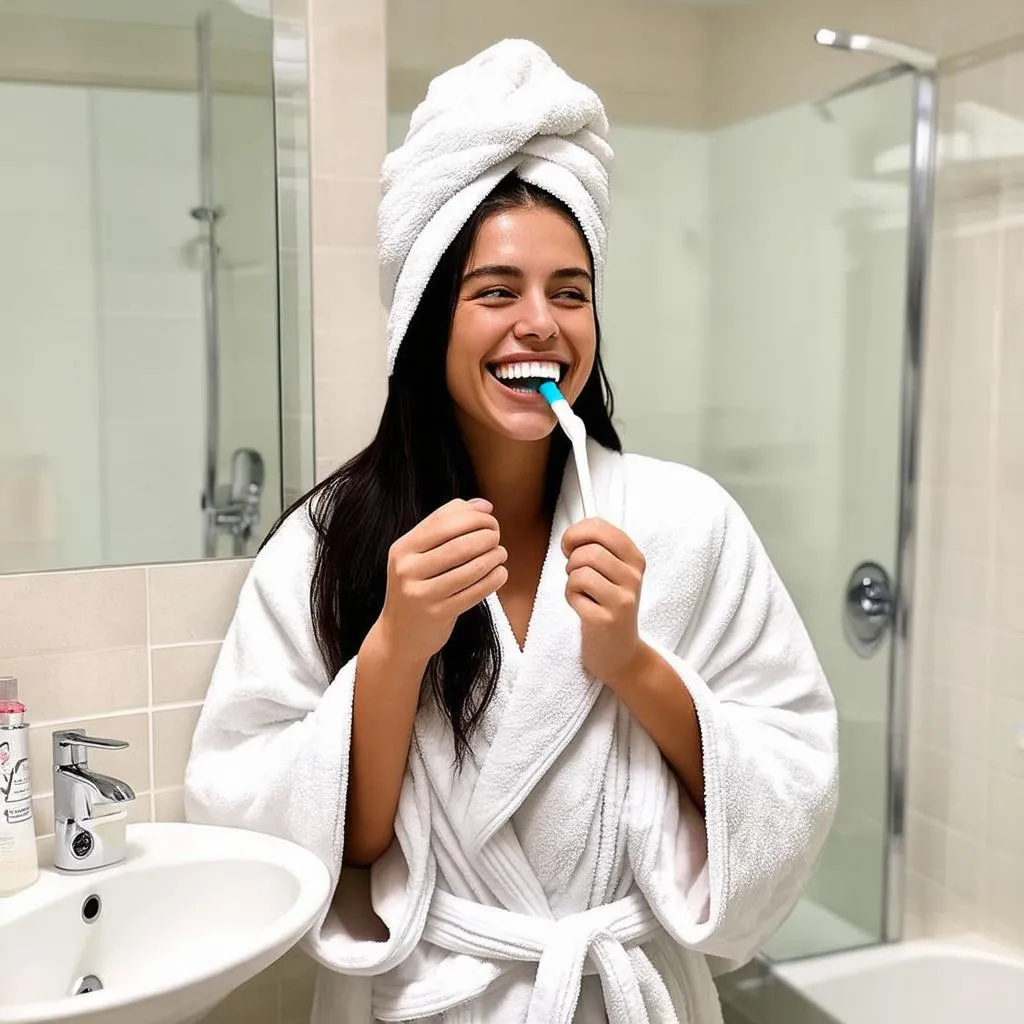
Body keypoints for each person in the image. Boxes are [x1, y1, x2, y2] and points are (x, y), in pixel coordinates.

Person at [184, 39, 838, 1024]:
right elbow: (313, 848)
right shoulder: (327, 545)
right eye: (495, 292)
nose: (539, 323)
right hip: (426, 997)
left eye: (568, 293)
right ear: (425, 318)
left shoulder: (688, 522)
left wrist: (632, 663)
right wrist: (396, 651)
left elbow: (791, 791)